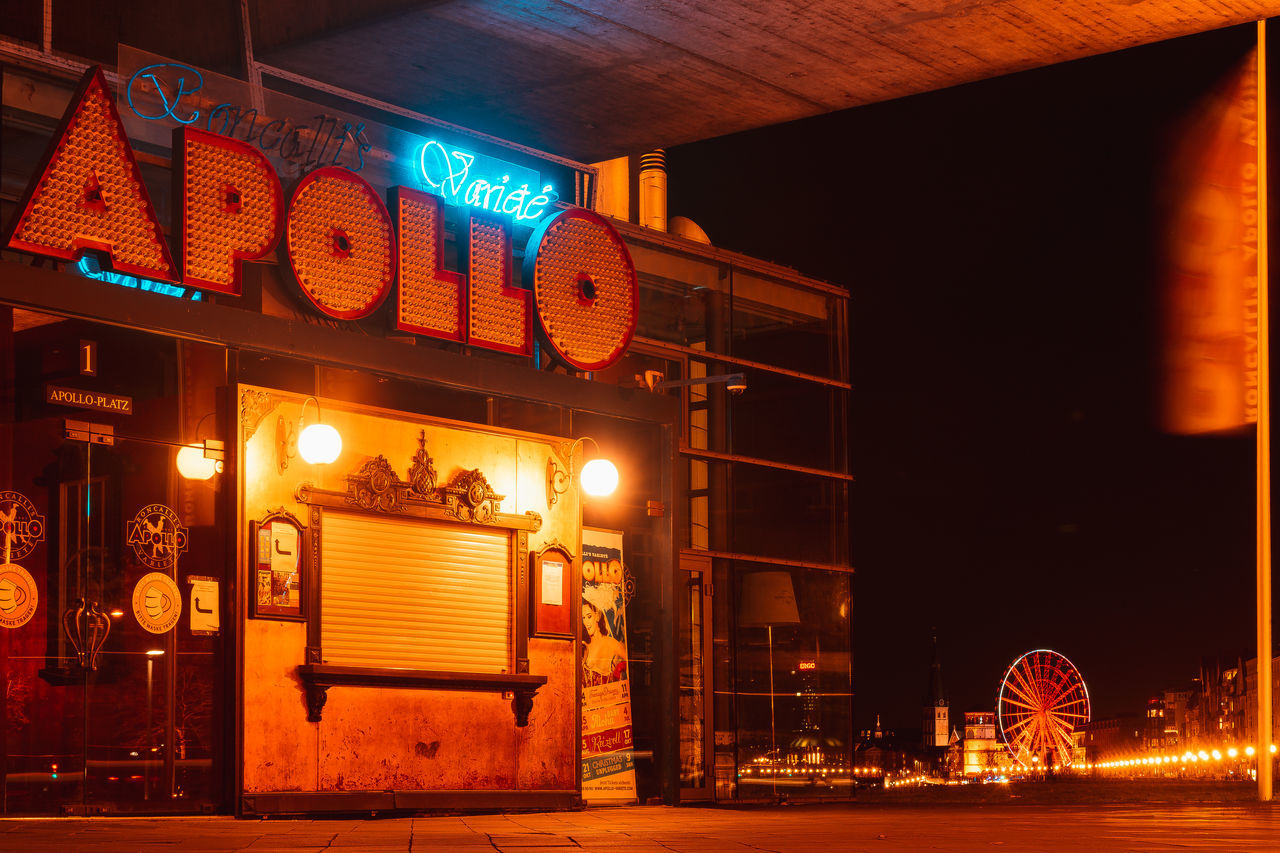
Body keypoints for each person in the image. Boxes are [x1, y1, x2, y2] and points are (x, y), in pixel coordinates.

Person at [581, 597, 627, 682]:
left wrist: (619, 669)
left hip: (607, 693)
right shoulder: (584, 645)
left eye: (589, 616)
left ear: (597, 616)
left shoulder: (611, 643)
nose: (586, 622)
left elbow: (629, 662)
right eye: (583, 618)